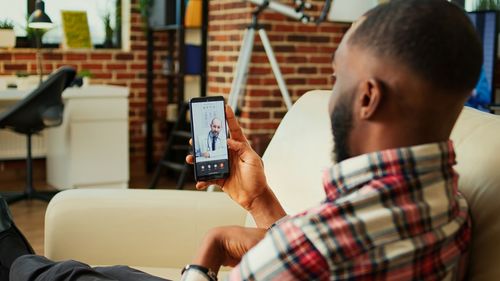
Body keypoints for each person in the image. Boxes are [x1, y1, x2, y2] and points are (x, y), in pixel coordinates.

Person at [0, 0, 482, 280]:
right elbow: (330, 254)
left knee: (53, 275)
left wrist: (205, 256)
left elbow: (313, 254)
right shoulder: (450, 205)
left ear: (367, 97)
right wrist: (260, 200)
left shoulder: (301, 252)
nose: (331, 91)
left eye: (338, 78)